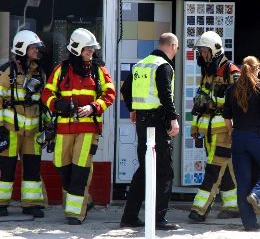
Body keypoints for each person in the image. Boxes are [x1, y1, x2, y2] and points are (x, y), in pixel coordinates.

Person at [41, 28, 116, 225]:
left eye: (92, 48)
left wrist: (93, 107)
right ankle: (86, 200)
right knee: (61, 165)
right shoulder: (61, 69)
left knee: (80, 169)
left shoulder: (99, 70)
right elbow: (46, 94)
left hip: (88, 129)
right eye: (87, 48)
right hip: (63, 128)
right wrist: (59, 105)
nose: (91, 51)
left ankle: (75, 214)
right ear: (76, 49)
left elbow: (110, 94)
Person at [119, 32, 180, 230]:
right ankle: (159, 219)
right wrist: (173, 119)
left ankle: (129, 217)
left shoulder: (141, 64)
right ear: (172, 45)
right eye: (177, 48)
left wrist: (133, 109)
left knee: (145, 169)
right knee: (164, 171)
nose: (176, 52)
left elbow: (125, 89)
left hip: (143, 123)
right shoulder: (163, 66)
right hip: (157, 122)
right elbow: (165, 95)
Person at [188, 31, 240, 222]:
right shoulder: (208, 72)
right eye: (200, 51)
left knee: (214, 169)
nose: (202, 55)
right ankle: (232, 206)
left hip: (224, 131)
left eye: (204, 51)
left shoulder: (232, 72)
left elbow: (240, 103)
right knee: (223, 168)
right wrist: (194, 127)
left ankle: (199, 209)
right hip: (208, 129)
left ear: (214, 51)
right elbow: (199, 104)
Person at [223, 56, 260, 231]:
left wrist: (232, 133)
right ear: (256, 69)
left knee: (243, 181)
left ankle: (250, 224)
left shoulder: (232, 89)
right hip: (256, 136)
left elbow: (227, 116)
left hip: (238, 136)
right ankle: (257, 194)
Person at [0, 30, 48, 218]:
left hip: (34, 131)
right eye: (33, 48)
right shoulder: (6, 72)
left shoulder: (40, 73)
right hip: (10, 130)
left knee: (32, 169)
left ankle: (31, 204)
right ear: (22, 49)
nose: (37, 51)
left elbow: (43, 103)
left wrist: (47, 125)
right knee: (6, 168)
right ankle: (1, 204)